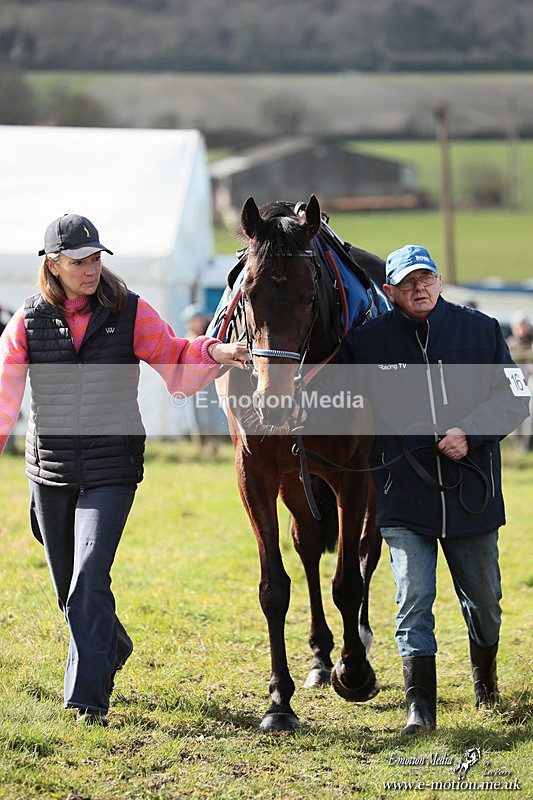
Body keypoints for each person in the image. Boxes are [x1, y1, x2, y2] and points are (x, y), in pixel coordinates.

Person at [0, 213, 248, 727]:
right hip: (50, 471)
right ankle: (111, 643)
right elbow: (4, 394)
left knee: (88, 580)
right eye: (78, 261)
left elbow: (175, 357)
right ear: (53, 265)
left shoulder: (128, 311)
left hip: (112, 469)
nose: (91, 269)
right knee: (66, 587)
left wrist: (214, 351)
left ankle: (87, 700)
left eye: (96, 258)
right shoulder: (27, 320)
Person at [339, 244, 530, 735]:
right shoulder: (368, 342)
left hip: (473, 492)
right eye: (406, 283)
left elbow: (518, 396)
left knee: (485, 602)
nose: (418, 288)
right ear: (390, 292)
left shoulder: (482, 330)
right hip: (404, 496)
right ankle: (420, 708)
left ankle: (484, 678)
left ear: (439, 281)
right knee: (414, 597)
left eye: (425, 279)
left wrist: (471, 432)